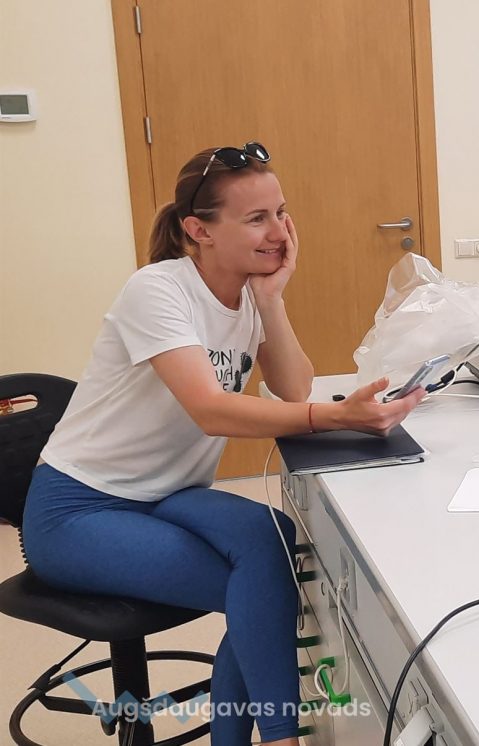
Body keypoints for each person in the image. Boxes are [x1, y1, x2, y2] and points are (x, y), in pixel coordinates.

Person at [22, 143, 424, 745]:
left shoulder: (247, 296)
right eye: (256, 218)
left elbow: (294, 388)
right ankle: (281, 737)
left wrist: (272, 301)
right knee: (262, 588)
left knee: (274, 540)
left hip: (166, 495)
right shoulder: (158, 290)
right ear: (198, 230)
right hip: (77, 511)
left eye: (281, 213)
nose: (279, 233)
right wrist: (337, 416)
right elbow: (210, 410)